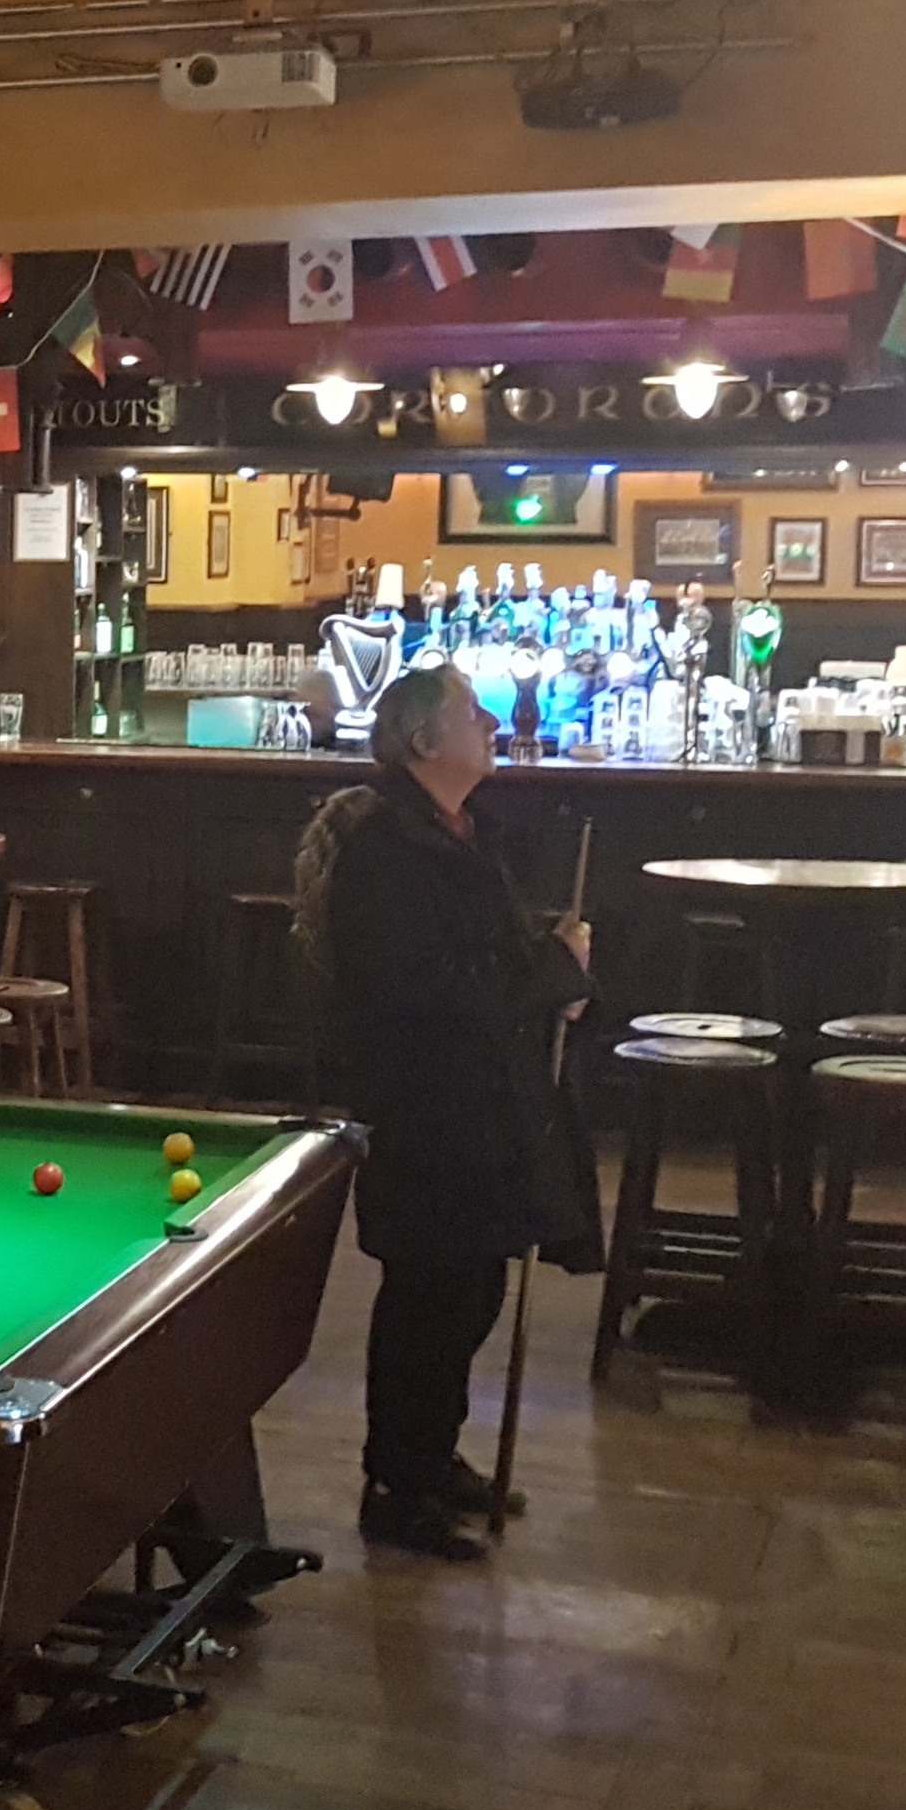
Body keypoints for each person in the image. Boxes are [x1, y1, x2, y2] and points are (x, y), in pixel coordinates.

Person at [294, 666, 596, 1562]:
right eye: (472, 712)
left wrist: (555, 962)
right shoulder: (387, 851)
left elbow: (489, 955)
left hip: (482, 1101)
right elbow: (427, 988)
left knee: (473, 1287)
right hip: (424, 1103)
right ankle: (397, 1483)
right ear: (425, 741)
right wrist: (555, 971)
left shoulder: (463, 832)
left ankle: (431, 1456)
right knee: (430, 1296)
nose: (493, 722)